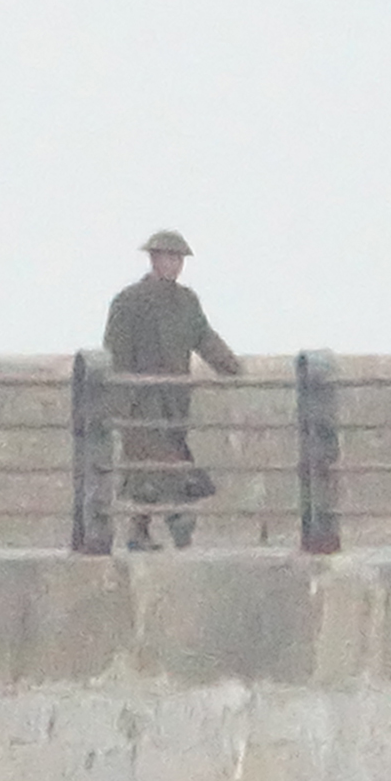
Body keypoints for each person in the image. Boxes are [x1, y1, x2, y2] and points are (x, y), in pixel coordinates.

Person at [102, 229, 242, 551]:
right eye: (168, 258)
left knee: (150, 474)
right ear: (154, 259)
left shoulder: (186, 302)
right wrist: (122, 403)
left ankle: (140, 531)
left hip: (174, 401)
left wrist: (230, 366)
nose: (174, 265)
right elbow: (116, 353)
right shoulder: (129, 301)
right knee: (161, 466)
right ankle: (178, 519)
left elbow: (204, 337)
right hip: (141, 402)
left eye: (178, 259)